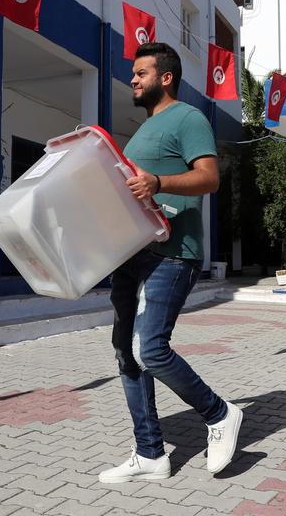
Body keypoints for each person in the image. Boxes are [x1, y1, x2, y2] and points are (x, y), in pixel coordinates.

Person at [98, 42, 242, 483]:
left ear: (166, 77)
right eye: (133, 73)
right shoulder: (142, 131)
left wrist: (158, 181)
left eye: (141, 73)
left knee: (150, 349)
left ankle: (219, 415)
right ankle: (150, 454)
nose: (133, 79)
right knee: (126, 353)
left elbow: (209, 178)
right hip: (133, 253)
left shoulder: (188, 118)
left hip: (172, 255)